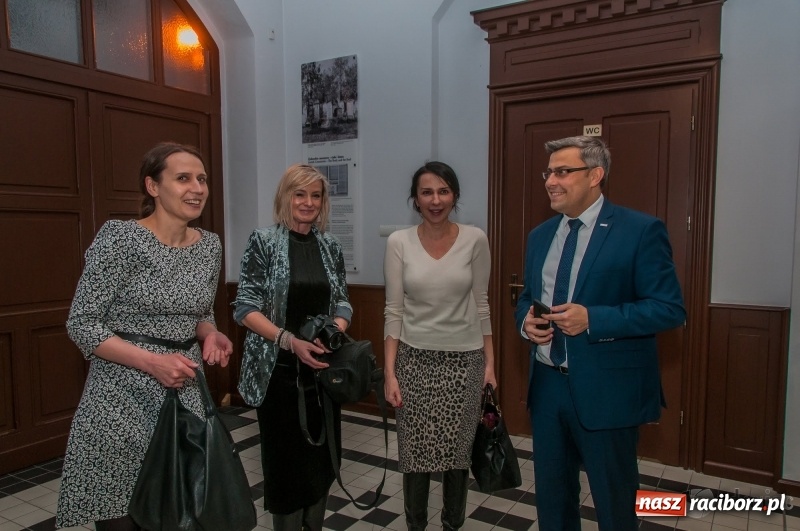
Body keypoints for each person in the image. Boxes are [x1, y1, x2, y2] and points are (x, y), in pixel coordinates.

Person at [56, 142, 233, 531]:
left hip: (184, 397)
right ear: (153, 187)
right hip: (119, 402)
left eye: (201, 179)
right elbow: (82, 322)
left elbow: (201, 312)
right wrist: (153, 362)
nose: (197, 188)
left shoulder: (210, 246)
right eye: (183, 178)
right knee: (122, 518)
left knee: (181, 515)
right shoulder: (119, 239)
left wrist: (210, 334)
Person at [515, 136, 686, 531]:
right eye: (549, 172)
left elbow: (669, 309)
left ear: (595, 175)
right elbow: (526, 298)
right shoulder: (540, 236)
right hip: (547, 389)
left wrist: (594, 319)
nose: (550, 181)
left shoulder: (640, 231)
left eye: (562, 171)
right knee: (553, 503)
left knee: (614, 504)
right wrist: (525, 321)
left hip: (608, 391)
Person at [234, 164, 351, 531]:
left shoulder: (330, 246)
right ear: (285, 197)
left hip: (322, 375)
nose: (308, 202)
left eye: (316, 195)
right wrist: (289, 341)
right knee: (286, 470)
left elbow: (344, 301)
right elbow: (244, 308)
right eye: (300, 194)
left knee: (321, 463)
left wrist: (335, 327)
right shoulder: (264, 241)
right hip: (279, 377)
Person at [383, 161, 496, 531]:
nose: (435, 200)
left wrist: (490, 366)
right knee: (414, 456)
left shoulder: (475, 239)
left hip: (465, 364)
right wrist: (390, 373)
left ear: (455, 196)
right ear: (415, 199)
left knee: (456, 457)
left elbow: (482, 304)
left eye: (443, 191)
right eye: (427, 192)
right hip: (413, 362)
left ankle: (452, 525)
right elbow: (394, 311)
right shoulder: (399, 242)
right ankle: (416, 525)